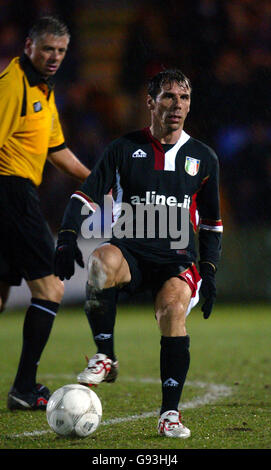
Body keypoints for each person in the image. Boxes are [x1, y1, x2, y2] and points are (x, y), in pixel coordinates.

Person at [54, 69, 223, 438]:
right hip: (130, 251)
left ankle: (170, 415)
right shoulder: (122, 149)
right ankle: (105, 356)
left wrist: (208, 271)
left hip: (177, 260)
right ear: (150, 102)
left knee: (173, 309)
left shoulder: (203, 157)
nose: (177, 105)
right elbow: (84, 194)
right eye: (168, 96)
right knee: (100, 261)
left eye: (184, 98)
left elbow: (211, 223)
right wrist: (67, 234)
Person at [0, 16, 90, 410]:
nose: (54, 57)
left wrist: (98, 179)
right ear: (28, 46)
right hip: (10, 190)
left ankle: (22, 387)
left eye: (61, 51)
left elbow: (57, 152)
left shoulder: (43, 90)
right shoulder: (11, 86)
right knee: (51, 288)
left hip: (16, 191)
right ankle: (24, 387)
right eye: (48, 49)